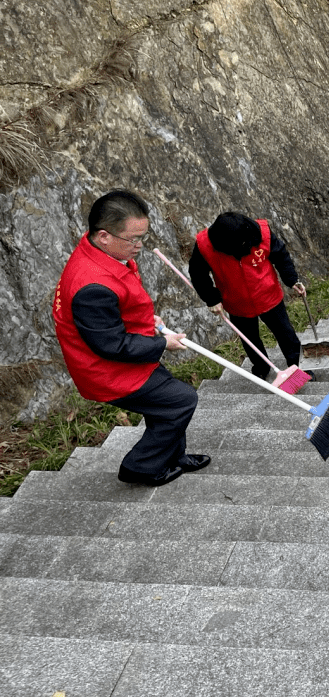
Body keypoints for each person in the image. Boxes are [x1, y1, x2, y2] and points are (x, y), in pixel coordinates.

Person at [52, 190, 209, 487]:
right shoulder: (92, 286)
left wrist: (144, 320)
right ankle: (141, 466)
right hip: (107, 369)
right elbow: (111, 345)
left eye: (143, 237)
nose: (139, 246)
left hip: (129, 354)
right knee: (181, 401)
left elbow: (112, 313)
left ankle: (172, 456)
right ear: (104, 236)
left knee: (166, 403)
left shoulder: (98, 255)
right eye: (133, 239)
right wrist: (163, 343)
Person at [189, 212, 307, 382]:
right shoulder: (204, 246)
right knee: (250, 341)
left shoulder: (263, 234)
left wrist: (292, 279)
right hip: (236, 302)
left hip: (268, 295)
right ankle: (262, 369)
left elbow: (281, 256)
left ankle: (298, 365)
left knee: (286, 334)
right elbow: (198, 273)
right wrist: (212, 298)